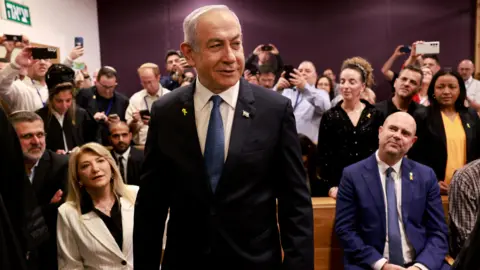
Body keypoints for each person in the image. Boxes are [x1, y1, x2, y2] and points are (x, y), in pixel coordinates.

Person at [133, 5, 314, 270]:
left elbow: (295, 203)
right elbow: (151, 203)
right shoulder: (166, 112)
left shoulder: (274, 110)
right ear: (189, 54)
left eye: (237, 44)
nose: (231, 57)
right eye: (216, 45)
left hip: (255, 262)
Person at [335, 112, 449, 270]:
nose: (397, 136)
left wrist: (421, 267)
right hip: (372, 264)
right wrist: (382, 265)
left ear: (412, 142)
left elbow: (439, 232)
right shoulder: (353, 175)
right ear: (380, 131)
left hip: (419, 263)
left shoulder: (426, 176)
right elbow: (345, 230)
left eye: (405, 133)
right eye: (393, 129)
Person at [56, 143, 139, 269]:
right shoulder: (68, 212)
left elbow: (160, 243)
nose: (95, 169)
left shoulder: (135, 195)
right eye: (85, 166)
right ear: (78, 178)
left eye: (100, 161)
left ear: (111, 166)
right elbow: (70, 266)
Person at [317, 57, 383, 198]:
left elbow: (380, 152)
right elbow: (323, 156)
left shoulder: (375, 114)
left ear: (363, 86)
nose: (345, 86)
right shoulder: (330, 116)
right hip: (339, 187)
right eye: (342, 81)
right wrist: (330, 187)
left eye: (352, 82)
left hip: (371, 185)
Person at [10, 111, 69, 270]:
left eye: (40, 134)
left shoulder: (63, 166)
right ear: (11, 139)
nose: (36, 141)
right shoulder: (4, 171)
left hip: (52, 257)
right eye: (27, 136)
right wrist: (47, 208)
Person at [409, 71, 480, 195]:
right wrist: (432, 181)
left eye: (452, 87)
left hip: (467, 190)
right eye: (440, 87)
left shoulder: (471, 115)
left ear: (460, 90)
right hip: (432, 190)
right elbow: (415, 156)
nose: (446, 91)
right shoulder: (422, 116)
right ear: (433, 90)